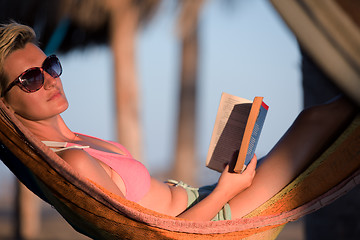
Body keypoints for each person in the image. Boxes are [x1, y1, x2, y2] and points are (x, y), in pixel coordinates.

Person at [0, 22, 358, 222]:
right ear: (7, 106)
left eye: (50, 66)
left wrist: (219, 188)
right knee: (319, 120)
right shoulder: (73, 162)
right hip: (217, 219)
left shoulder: (77, 139)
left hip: (205, 199)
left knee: (328, 129)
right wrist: (225, 192)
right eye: (30, 78)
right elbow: (160, 235)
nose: (49, 80)